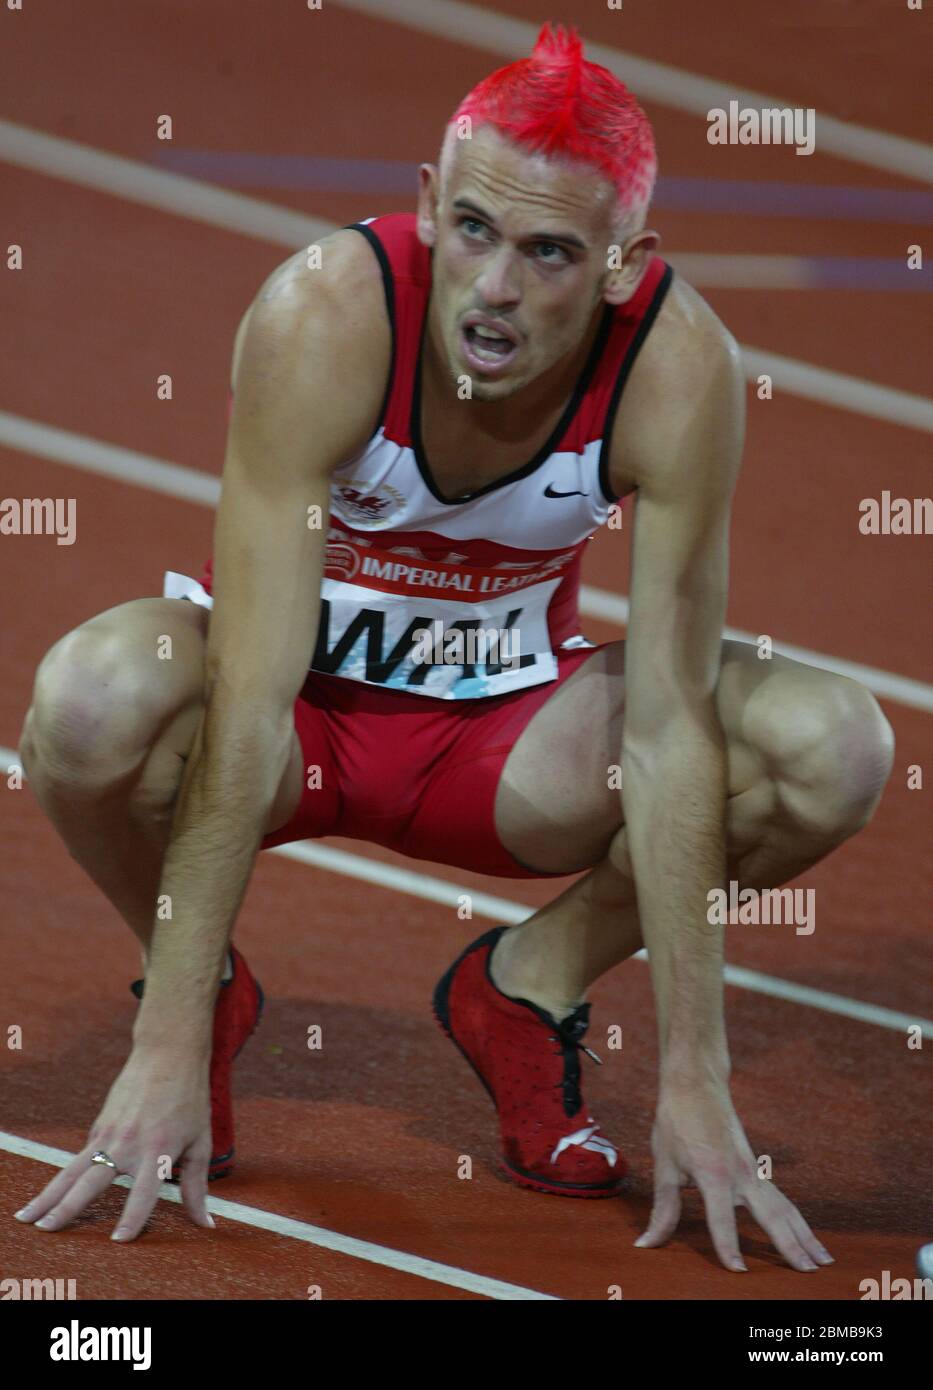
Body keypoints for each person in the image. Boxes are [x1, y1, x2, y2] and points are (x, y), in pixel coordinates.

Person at [15, 23, 893, 1273]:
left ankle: (528, 983)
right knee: (90, 701)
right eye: (475, 229)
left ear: (622, 266)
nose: (496, 287)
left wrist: (699, 1072)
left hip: (504, 749)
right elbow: (253, 694)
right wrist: (163, 1036)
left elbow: (667, 725)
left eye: (548, 253)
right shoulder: (324, 315)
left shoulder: (680, 371)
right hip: (292, 727)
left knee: (834, 746)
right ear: (430, 203)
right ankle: (188, 982)